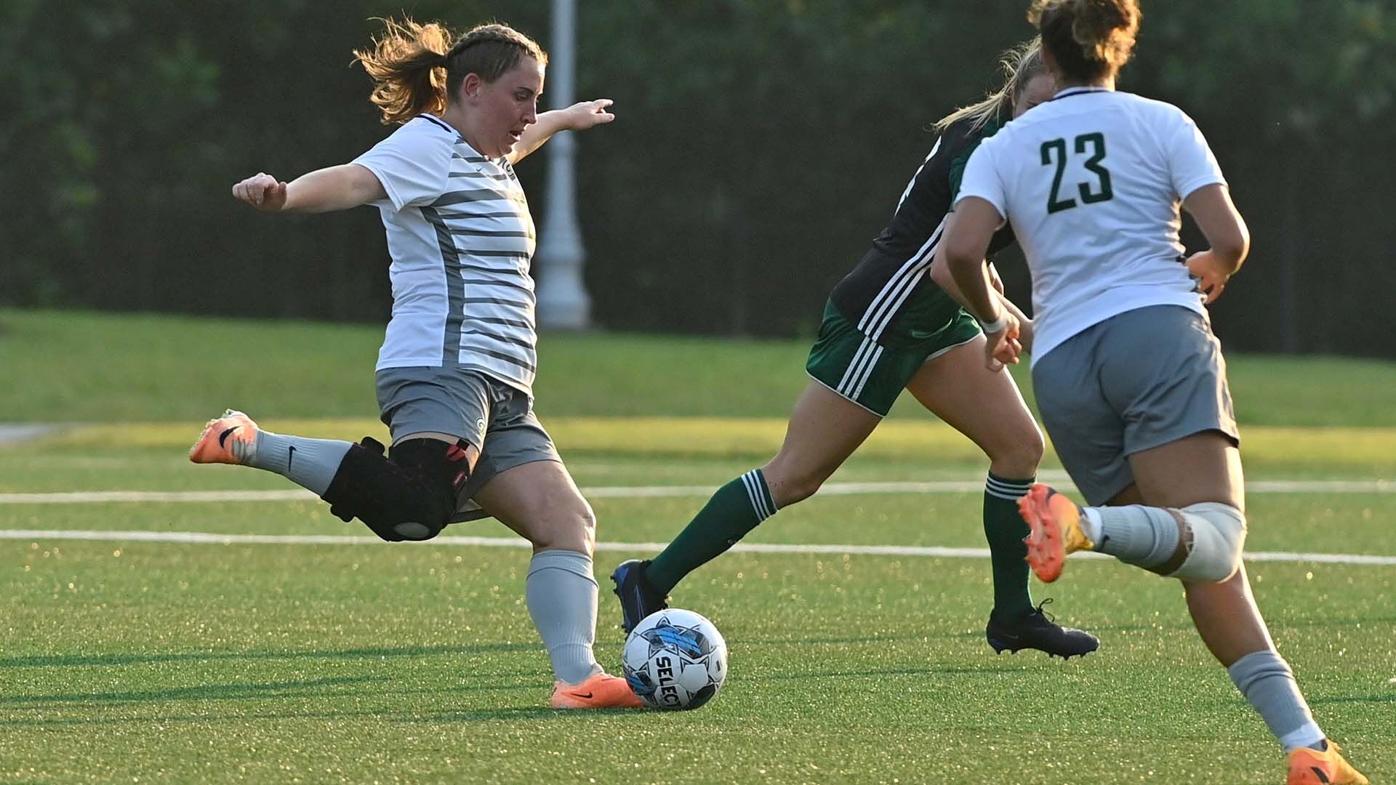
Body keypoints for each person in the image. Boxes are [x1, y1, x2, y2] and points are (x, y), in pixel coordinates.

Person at [943, 2, 1368, 782]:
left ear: (1047, 52)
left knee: (1202, 558)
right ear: (1121, 48)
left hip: (1065, 366)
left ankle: (1308, 749)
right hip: (1156, 336)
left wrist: (996, 318)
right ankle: (1081, 524)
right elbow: (1230, 235)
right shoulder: (1162, 120)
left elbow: (960, 252)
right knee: (1216, 535)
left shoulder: (1004, 144)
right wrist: (1219, 266)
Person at [188, 18, 643, 710]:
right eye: (521, 96)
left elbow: (525, 134)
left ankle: (579, 679)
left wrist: (565, 118)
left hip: (504, 387)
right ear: (471, 87)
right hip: (443, 366)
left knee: (565, 523)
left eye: (535, 98)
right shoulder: (428, 144)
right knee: (412, 509)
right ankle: (247, 442)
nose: (528, 113)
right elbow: (353, 180)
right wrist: (285, 196)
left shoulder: (489, 154)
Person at [612, 40, 1100, 660]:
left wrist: (1014, 319)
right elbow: (953, 267)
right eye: (1036, 105)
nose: (1043, 121)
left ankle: (1012, 617)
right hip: (881, 322)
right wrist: (1005, 326)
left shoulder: (1018, 145)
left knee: (1019, 448)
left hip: (932, 320)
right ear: (1016, 94)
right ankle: (647, 579)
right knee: (794, 477)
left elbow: (965, 257)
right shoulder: (989, 146)